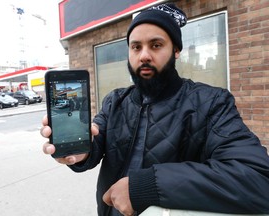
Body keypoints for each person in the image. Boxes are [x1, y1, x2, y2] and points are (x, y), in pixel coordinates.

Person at [41, 3, 269, 216]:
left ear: (176, 50)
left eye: (156, 45)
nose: (144, 55)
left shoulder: (211, 103)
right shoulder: (115, 101)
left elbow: (258, 179)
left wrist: (147, 187)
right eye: (136, 47)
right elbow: (96, 143)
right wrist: (81, 153)